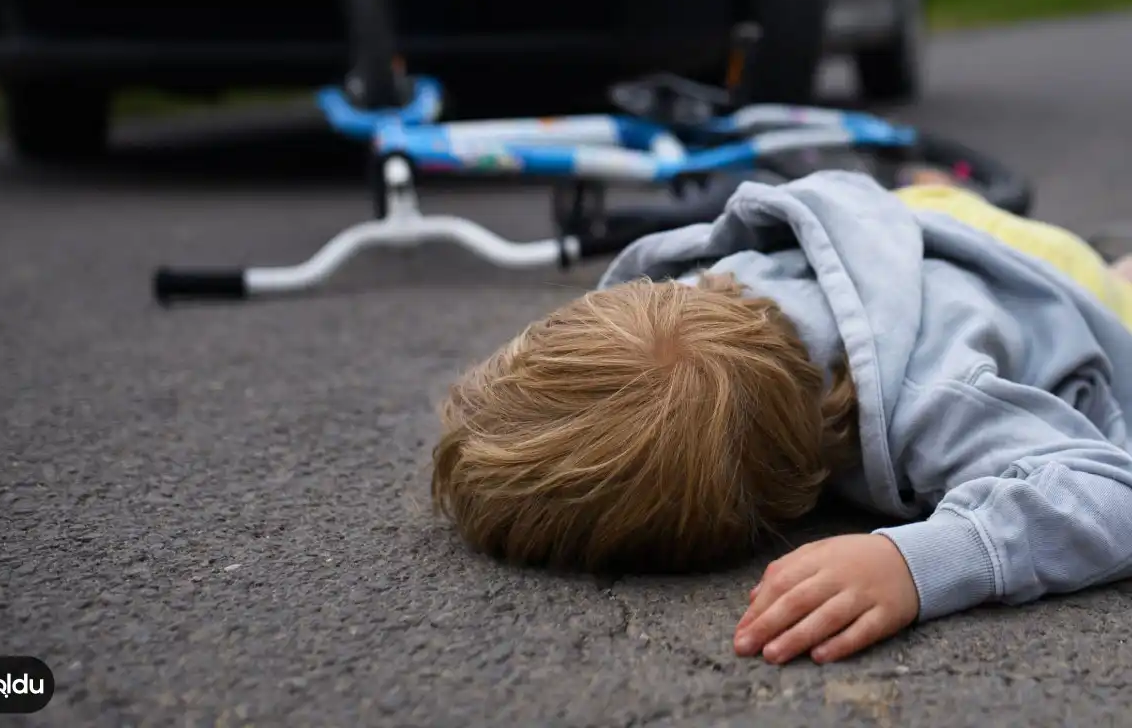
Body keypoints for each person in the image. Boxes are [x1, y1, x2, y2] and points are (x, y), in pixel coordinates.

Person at [430, 167, 1132, 665]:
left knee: (1114, 285)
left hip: (1047, 278)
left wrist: (918, 561)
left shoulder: (939, 395)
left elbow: (1111, 491)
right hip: (897, 221)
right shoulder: (687, 293)